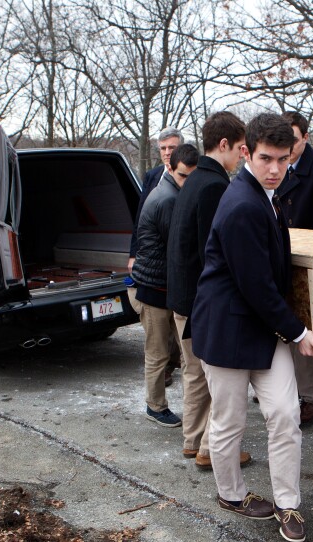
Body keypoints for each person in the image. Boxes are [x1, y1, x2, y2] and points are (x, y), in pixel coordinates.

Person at [191, 113, 313, 542]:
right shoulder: (243, 203)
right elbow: (257, 287)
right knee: (228, 422)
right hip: (228, 331)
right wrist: (300, 333)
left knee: (284, 416)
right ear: (246, 151)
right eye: (266, 158)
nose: (275, 169)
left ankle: (289, 505)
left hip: (264, 329)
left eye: (283, 160)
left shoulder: (266, 194)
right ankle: (230, 494)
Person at [167, 111, 251, 470]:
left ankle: (192, 441)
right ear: (223, 145)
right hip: (200, 300)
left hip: (182, 295)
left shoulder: (194, 179)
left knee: (195, 373)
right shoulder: (216, 185)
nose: (242, 156)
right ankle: (209, 449)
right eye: (240, 148)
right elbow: (211, 251)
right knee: (218, 376)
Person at [131, 144, 200, 427]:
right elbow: (182, 250)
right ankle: (155, 406)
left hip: (168, 289)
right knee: (159, 354)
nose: (188, 182)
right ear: (169, 169)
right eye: (183, 176)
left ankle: (188, 409)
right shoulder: (168, 199)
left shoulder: (175, 194)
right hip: (154, 290)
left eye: (192, 177)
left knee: (184, 354)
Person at [278, 111, 313, 426]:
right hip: (283, 258)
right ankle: (287, 390)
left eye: (293, 140)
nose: (289, 147)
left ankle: (312, 399)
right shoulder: (276, 166)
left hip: (310, 261)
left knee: (307, 332)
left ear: (305, 138)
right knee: (282, 329)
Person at [128, 127, 183, 387]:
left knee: (172, 333)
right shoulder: (152, 178)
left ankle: (170, 368)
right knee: (158, 340)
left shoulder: (185, 179)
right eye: (163, 148)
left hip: (169, 273)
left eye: (172, 147)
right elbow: (140, 219)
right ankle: (160, 385)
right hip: (154, 271)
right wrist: (133, 254)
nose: (167, 152)